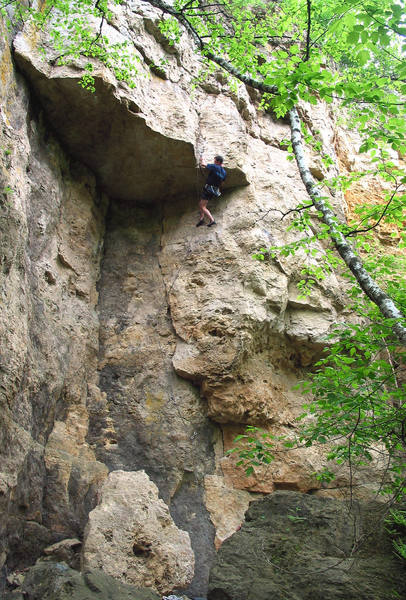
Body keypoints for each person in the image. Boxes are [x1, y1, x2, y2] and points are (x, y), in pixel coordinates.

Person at [196, 154, 227, 227]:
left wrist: (201, 158)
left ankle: (212, 220)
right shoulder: (224, 172)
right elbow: (222, 182)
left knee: (202, 206)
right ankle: (201, 218)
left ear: (218, 161)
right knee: (201, 204)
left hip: (208, 189)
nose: (214, 161)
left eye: (215, 160)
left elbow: (203, 164)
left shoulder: (215, 166)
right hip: (214, 190)